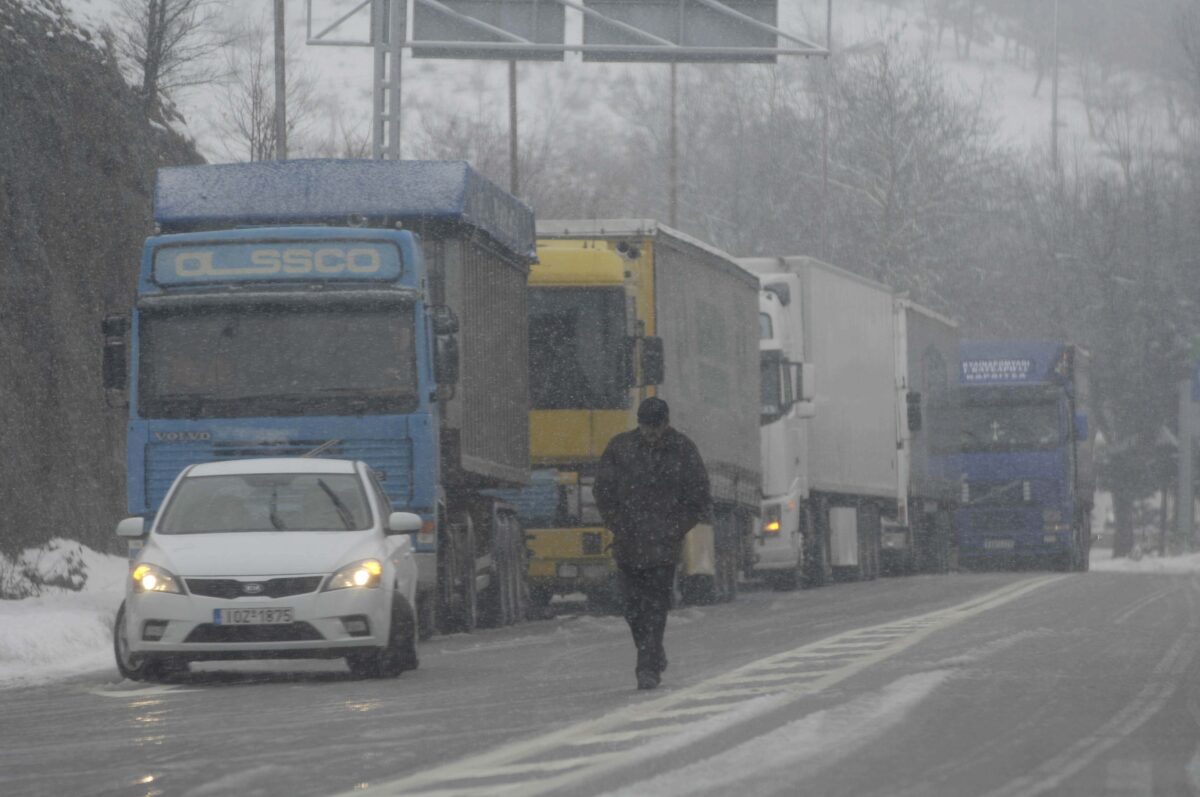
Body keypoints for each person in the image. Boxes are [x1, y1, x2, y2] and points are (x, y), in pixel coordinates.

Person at [593, 396, 712, 690]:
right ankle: (653, 652)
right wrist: (618, 524)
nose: (650, 434)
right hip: (629, 545)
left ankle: (647, 668)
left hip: (662, 548)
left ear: (665, 424)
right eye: (645, 428)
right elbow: (602, 491)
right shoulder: (620, 448)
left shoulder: (683, 450)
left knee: (656, 607)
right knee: (631, 607)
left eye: (655, 429)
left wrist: (674, 529)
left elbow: (698, 498)